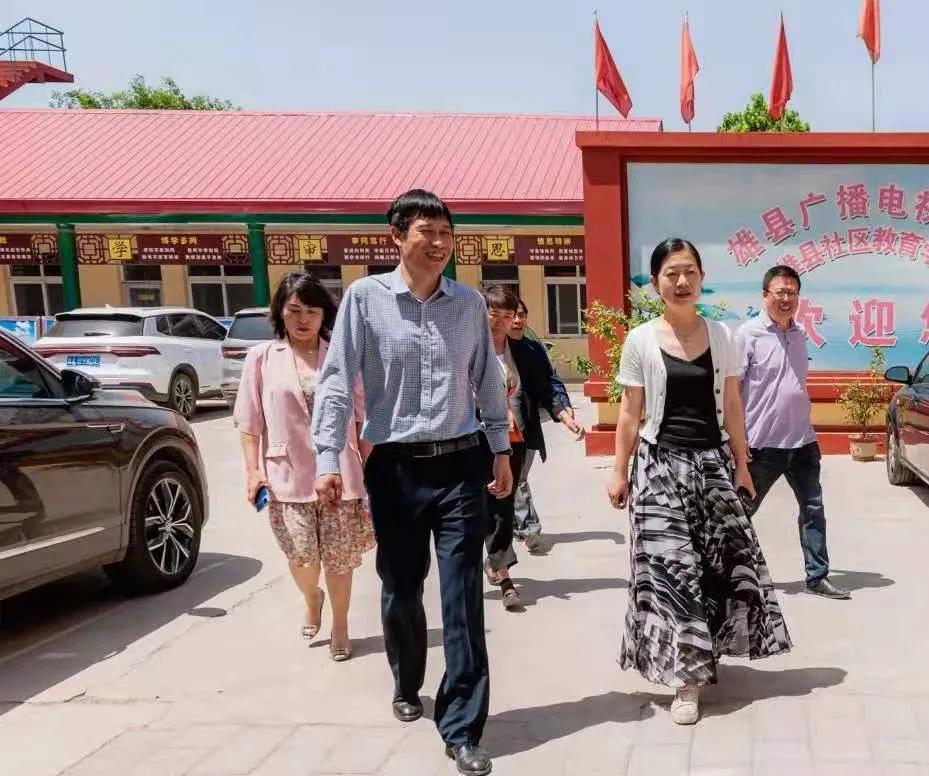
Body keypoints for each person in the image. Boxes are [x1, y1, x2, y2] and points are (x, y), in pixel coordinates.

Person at [311, 189, 511, 776]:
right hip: (395, 469)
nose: (439, 242)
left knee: (462, 597)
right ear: (397, 236)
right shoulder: (364, 300)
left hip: (460, 466)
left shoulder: (468, 304)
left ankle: (462, 726)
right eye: (428, 231)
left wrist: (500, 447)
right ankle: (406, 676)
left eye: (447, 232)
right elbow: (335, 379)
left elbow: (488, 379)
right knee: (401, 588)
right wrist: (327, 457)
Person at [607, 238, 792, 726]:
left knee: (723, 563)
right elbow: (629, 412)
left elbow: (731, 404)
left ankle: (706, 650)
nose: (682, 281)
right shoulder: (640, 340)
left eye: (689, 271)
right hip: (658, 468)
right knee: (673, 571)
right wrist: (618, 470)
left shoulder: (722, 336)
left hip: (711, 466)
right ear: (655, 283)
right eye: (671, 273)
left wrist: (742, 464)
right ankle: (685, 680)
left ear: (702, 277)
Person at [234, 271, 374, 662]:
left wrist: (366, 466)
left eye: (312, 311)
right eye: (294, 309)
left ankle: (340, 625)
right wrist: (252, 470)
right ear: (280, 311)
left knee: (339, 559)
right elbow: (249, 422)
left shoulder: (342, 356)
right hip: (287, 476)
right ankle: (313, 598)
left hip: (341, 475)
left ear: (324, 315)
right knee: (302, 557)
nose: (303, 319)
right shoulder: (262, 359)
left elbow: (364, 416)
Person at [738, 265, 851, 600]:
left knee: (813, 509)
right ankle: (730, 578)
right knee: (740, 513)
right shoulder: (747, 335)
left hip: (803, 441)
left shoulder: (800, 334)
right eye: (780, 292)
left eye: (792, 292)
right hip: (761, 444)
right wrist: (735, 441)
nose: (786, 298)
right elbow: (730, 391)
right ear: (765, 295)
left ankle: (817, 576)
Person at [509, 297, 583, 551]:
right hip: (494, 428)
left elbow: (549, 382)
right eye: (512, 315)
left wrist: (565, 414)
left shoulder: (533, 350)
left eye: (521, 315)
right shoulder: (490, 349)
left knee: (518, 476)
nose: (517, 320)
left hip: (526, 426)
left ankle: (526, 527)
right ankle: (521, 527)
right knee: (508, 479)